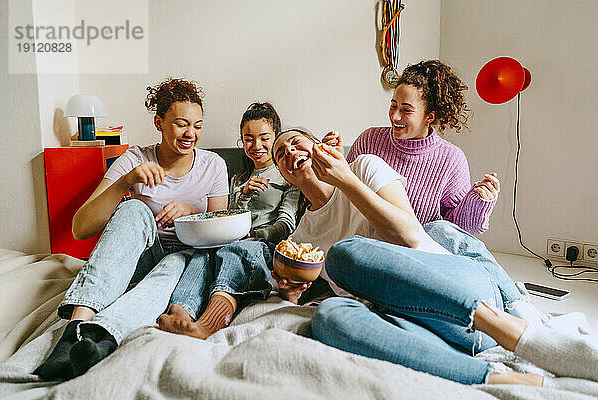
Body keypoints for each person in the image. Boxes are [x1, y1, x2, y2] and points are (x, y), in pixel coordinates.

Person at [272, 128, 598, 388]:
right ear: (284, 176)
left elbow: (409, 235)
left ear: (317, 146)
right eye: (280, 154)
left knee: (345, 254)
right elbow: (324, 289)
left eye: (296, 143)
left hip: (462, 293)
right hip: (430, 329)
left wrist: (345, 180)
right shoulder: (301, 235)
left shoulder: (364, 167)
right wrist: (292, 292)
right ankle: (506, 378)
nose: (290, 154)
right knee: (328, 317)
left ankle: (521, 335)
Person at [33, 78, 229, 381]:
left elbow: (222, 232)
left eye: (198, 125)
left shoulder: (213, 165)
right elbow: (80, 227)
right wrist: (126, 182)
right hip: (139, 258)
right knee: (134, 208)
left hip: (183, 262)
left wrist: (193, 212)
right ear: (159, 123)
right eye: (181, 124)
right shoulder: (136, 159)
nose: (191, 134)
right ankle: (73, 331)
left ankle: (101, 340)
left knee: (176, 262)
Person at [157, 102, 300, 339]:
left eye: (264, 138)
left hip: (263, 247)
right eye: (248, 139)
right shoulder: (238, 178)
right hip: (233, 242)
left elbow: (287, 224)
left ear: (276, 138)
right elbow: (226, 217)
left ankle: (209, 324)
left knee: (239, 249)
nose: (256, 146)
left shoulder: (288, 173)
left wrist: (254, 235)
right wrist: (243, 195)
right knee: (202, 252)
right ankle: (181, 311)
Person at [323, 60, 499, 234]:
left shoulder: (451, 159)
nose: (395, 117)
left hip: (416, 254)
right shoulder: (369, 139)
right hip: (361, 244)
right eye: (393, 106)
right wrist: (337, 162)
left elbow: (455, 229)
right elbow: (341, 203)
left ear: (429, 116)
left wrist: (479, 201)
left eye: (406, 110)